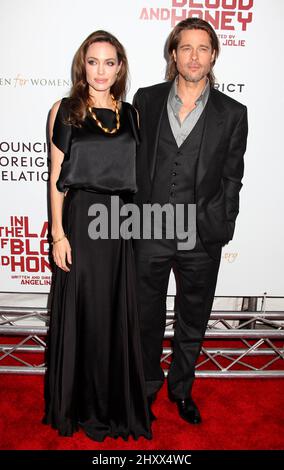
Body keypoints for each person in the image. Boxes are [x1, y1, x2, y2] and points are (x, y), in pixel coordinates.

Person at [133, 18, 248, 424]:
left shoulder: (233, 112)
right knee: (144, 316)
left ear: (213, 54)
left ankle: (181, 390)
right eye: (186, 48)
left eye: (203, 48)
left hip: (201, 235)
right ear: (173, 54)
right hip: (148, 228)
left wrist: (222, 222)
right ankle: (146, 387)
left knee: (192, 316)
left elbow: (233, 176)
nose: (194, 56)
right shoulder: (145, 100)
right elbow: (133, 164)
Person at [43, 30, 152, 442]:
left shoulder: (132, 114)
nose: (101, 70)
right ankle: (80, 406)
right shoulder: (64, 110)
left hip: (119, 224)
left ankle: (112, 405)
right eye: (93, 61)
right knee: (85, 312)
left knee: (113, 313)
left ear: (120, 66)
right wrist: (58, 233)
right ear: (82, 64)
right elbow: (56, 177)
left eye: (109, 62)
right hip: (81, 221)